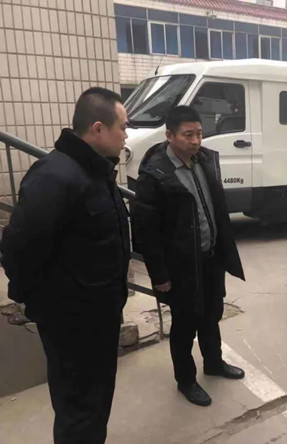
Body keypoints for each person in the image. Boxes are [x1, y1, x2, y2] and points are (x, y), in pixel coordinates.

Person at [0, 87, 131, 444]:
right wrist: (37, 300)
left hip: (98, 316)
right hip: (72, 323)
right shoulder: (56, 176)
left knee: (95, 402)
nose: (126, 136)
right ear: (98, 128)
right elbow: (18, 248)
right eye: (123, 127)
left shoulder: (95, 171)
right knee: (79, 410)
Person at [131, 106, 245, 406]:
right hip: (181, 267)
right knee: (184, 325)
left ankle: (214, 363)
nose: (196, 141)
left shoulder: (203, 160)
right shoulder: (155, 174)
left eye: (199, 134)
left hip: (211, 258)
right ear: (169, 136)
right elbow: (146, 232)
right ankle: (186, 380)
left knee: (212, 315)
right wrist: (160, 276)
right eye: (188, 135)